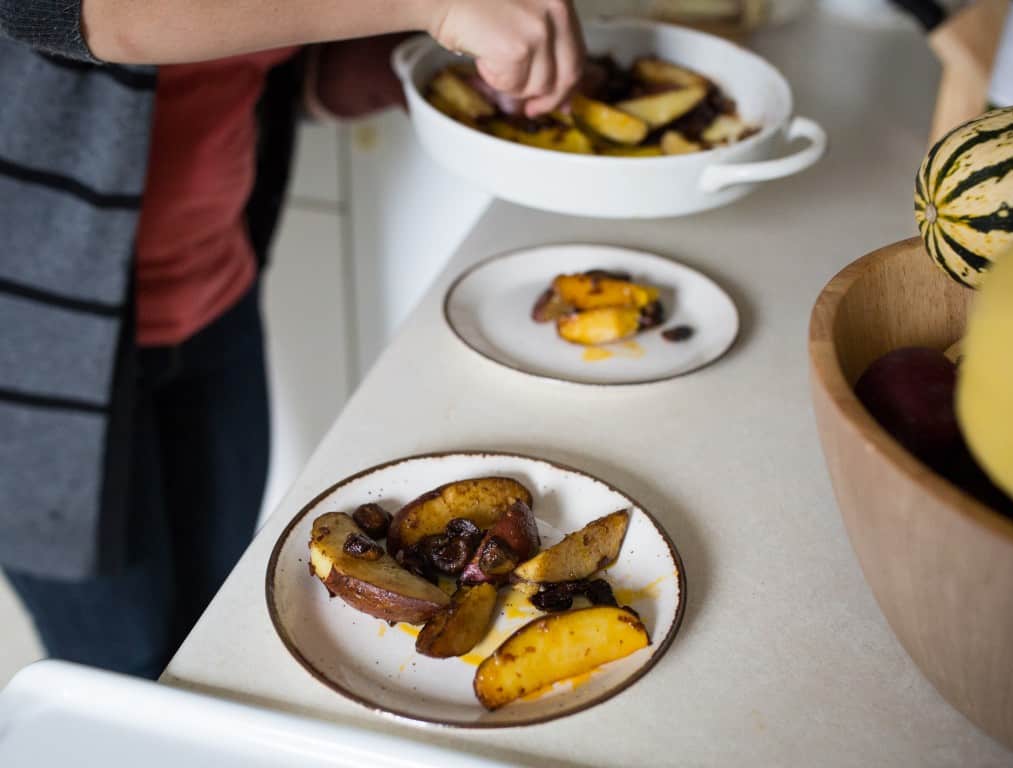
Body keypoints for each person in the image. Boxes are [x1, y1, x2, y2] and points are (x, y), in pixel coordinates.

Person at [0, 0, 584, 679]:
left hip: (214, 303)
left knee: (217, 629)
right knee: (123, 668)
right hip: (33, 352)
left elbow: (266, 59)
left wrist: (415, 69)